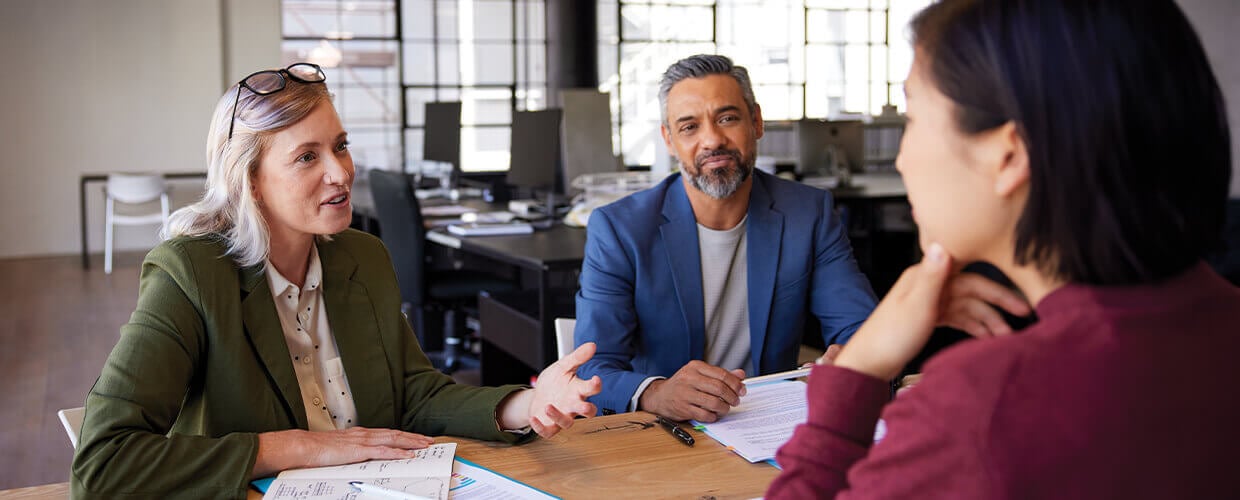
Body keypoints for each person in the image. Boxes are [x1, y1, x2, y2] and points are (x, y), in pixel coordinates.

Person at [768, 0, 1239, 497]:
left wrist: (857, 371)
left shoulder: (985, 405)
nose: (903, 160)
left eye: (913, 119)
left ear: (1008, 155)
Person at [71, 63, 601, 498]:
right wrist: (295, 447)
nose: (341, 172)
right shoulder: (190, 274)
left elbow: (414, 394)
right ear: (249, 181)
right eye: (307, 156)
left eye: (340, 146)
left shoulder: (361, 257)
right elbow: (103, 464)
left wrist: (525, 406)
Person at [574, 54, 1028, 422]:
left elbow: (858, 327)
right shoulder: (620, 229)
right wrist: (656, 393)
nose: (712, 139)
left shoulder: (808, 212)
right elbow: (593, 369)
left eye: (727, 117)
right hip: (660, 434)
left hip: (770, 425)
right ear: (669, 141)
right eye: (690, 126)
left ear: (756, 123)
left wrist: (852, 360)